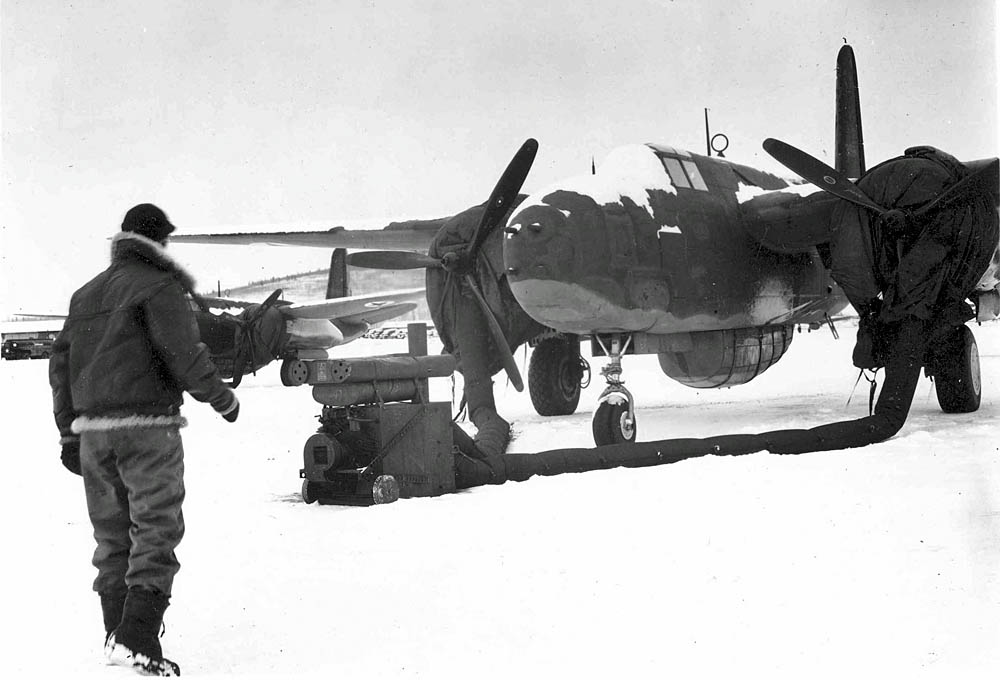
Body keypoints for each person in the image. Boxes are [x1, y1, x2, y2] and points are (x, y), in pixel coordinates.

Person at [49, 203, 240, 676]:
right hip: (147, 429)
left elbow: (59, 368)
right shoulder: (160, 285)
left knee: (111, 537)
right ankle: (136, 641)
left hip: (93, 434)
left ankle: (119, 638)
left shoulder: (84, 294)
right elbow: (184, 353)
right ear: (161, 241)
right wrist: (222, 400)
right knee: (154, 530)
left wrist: (67, 435)